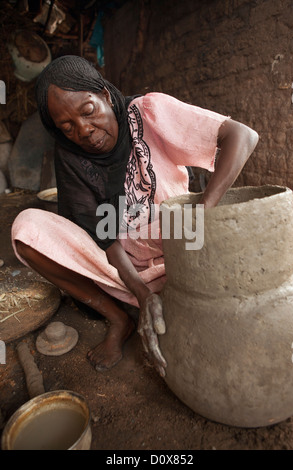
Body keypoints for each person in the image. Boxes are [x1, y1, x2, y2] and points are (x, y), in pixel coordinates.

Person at [11, 55, 259, 377]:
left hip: (182, 239)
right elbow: (104, 237)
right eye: (67, 127)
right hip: (123, 265)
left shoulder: (149, 113)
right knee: (26, 228)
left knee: (286, 225)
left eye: (88, 111)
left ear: (105, 95)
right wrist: (142, 296)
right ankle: (119, 317)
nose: (84, 131)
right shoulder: (70, 156)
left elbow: (242, 136)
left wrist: (204, 213)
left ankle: (169, 293)